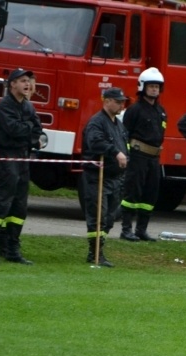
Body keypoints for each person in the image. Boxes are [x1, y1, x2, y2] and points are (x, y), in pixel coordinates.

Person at [0, 68, 43, 265]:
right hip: (7, 156)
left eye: (28, 81)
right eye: (23, 80)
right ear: (12, 84)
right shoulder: (5, 105)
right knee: (1, 201)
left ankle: (11, 248)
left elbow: (38, 131)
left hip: (23, 157)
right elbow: (14, 129)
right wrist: (28, 129)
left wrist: (28, 131)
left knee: (19, 205)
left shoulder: (28, 106)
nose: (27, 84)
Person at [81, 87, 129, 267]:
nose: (121, 105)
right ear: (107, 101)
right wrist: (115, 152)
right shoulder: (97, 122)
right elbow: (95, 142)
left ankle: (99, 248)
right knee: (98, 216)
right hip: (98, 176)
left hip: (116, 177)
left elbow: (125, 145)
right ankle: (95, 252)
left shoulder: (119, 124)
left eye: (122, 102)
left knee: (110, 217)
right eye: (118, 102)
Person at [120, 67, 167, 242]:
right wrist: (127, 154)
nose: (154, 89)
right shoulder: (134, 110)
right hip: (137, 156)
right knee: (132, 192)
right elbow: (124, 134)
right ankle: (126, 229)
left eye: (157, 86)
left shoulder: (161, 111)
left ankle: (141, 230)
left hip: (154, 158)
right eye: (151, 86)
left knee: (150, 194)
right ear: (143, 87)